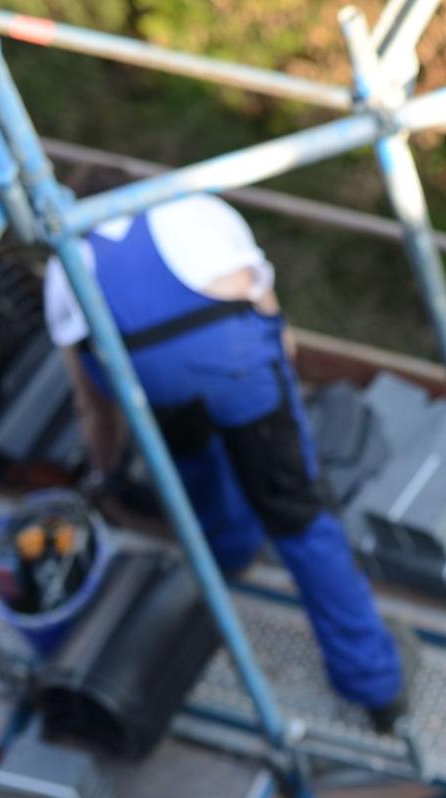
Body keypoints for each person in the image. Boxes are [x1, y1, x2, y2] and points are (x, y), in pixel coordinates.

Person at [43, 193, 407, 731]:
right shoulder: (192, 206)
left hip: (152, 385)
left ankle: (230, 551)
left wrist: (105, 473)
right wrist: (273, 400)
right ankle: (374, 685)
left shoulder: (63, 260)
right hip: (239, 371)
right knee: (299, 518)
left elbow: (92, 404)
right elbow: (275, 329)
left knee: (198, 468)